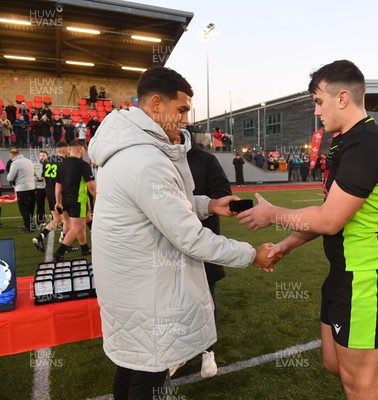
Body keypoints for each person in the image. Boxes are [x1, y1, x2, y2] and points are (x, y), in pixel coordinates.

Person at [88, 66, 279, 399]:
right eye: (182, 109)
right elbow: (190, 238)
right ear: (157, 104)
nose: (185, 119)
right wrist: (252, 254)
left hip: (127, 285)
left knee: (132, 368)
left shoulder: (127, 149)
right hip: (147, 292)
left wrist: (207, 205)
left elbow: (156, 202)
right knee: (147, 377)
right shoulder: (146, 159)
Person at [238, 60, 378, 400]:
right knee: (336, 365)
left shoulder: (368, 143)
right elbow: (325, 215)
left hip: (366, 278)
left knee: (358, 383)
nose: (316, 112)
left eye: (318, 101)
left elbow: (329, 220)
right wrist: (285, 246)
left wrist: (273, 214)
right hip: (344, 275)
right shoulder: (346, 141)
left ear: (342, 98)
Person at [170, 136, 233, 378]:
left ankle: (208, 351)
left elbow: (223, 196)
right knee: (174, 302)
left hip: (203, 243)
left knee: (207, 300)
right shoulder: (159, 158)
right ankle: (179, 353)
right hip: (170, 247)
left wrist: (202, 209)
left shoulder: (206, 160)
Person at [52, 140, 96, 262]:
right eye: (84, 151)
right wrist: (99, 197)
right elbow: (91, 186)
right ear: (80, 150)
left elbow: (57, 185)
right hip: (78, 199)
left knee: (81, 224)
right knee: (76, 227)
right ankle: (60, 252)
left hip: (66, 199)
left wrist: (58, 201)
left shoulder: (61, 164)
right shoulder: (83, 165)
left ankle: (85, 248)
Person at [33, 142, 69, 253]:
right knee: (67, 220)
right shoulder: (64, 162)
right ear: (65, 149)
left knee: (57, 219)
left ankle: (40, 237)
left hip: (49, 191)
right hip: (59, 193)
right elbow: (63, 181)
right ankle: (65, 243)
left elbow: (44, 177)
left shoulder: (47, 160)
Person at [6, 148, 36, 232]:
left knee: (24, 209)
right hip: (32, 187)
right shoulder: (29, 161)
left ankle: (28, 227)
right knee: (30, 208)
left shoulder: (15, 163)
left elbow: (10, 177)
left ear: (12, 155)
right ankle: (29, 225)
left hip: (22, 189)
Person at [33, 150, 48, 226]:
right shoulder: (34, 165)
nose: (42, 157)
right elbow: (32, 176)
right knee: (40, 205)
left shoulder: (50, 164)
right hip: (39, 188)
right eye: (40, 156)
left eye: (43, 155)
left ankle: (55, 219)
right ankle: (40, 221)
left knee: (53, 204)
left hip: (49, 187)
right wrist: (38, 179)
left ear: (47, 156)